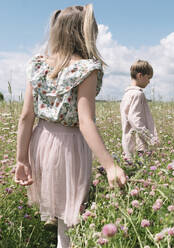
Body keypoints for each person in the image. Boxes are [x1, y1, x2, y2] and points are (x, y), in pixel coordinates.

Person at [13, 4, 127, 248]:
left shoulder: (38, 64)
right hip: (69, 144)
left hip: (40, 140)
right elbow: (85, 121)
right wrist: (110, 165)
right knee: (72, 214)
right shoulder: (87, 68)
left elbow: (26, 116)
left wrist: (21, 159)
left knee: (62, 212)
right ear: (87, 33)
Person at [120, 60, 158, 162]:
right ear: (140, 75)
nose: (149, 81)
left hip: (129, 143)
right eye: (148, 78)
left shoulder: (126, 94)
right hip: (138, 145)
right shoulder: (138, 94)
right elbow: (135, 120)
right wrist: (151, 138)